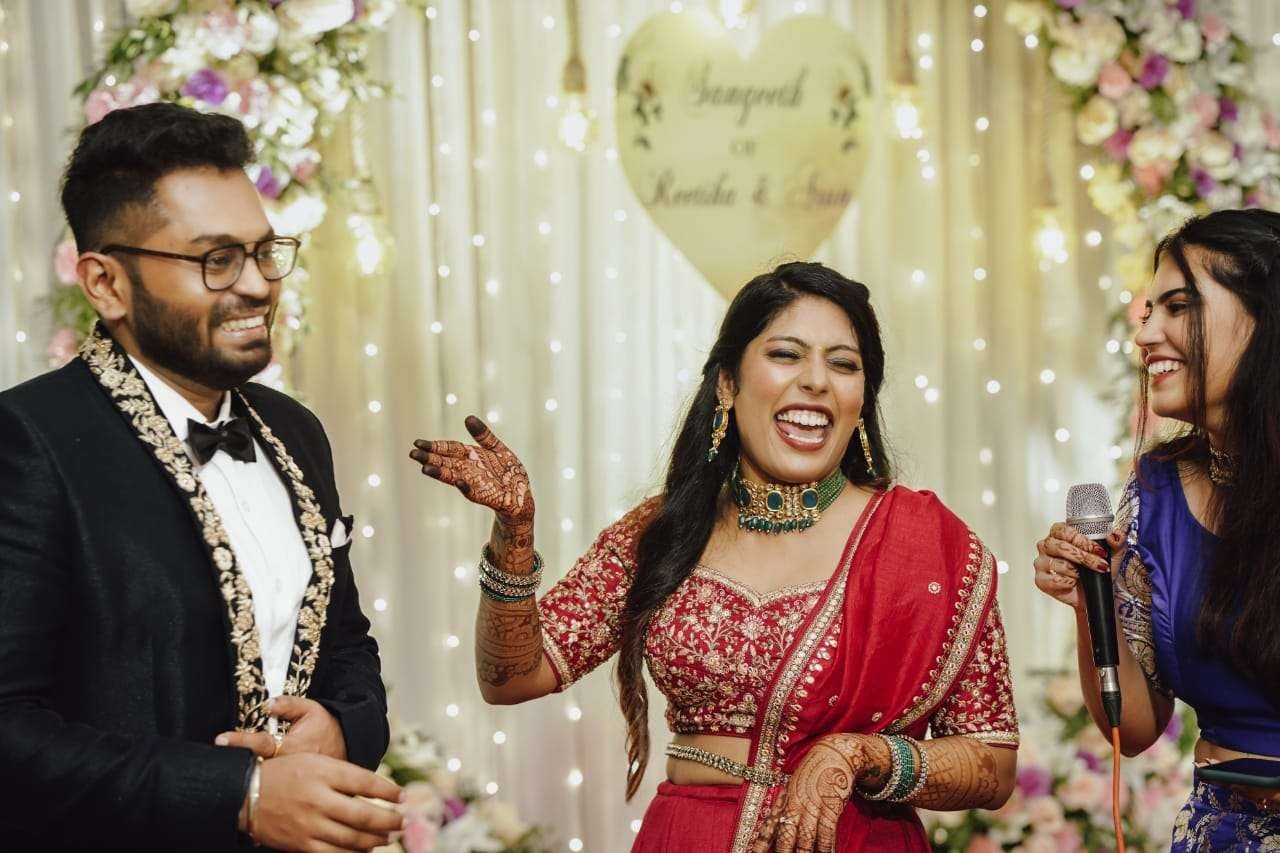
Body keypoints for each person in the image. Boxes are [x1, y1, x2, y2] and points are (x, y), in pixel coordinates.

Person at [410, 261, 1019, 852]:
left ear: (862, 398)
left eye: (843, 364)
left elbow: (991, 766)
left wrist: (863, 754)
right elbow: (513, 677)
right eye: (786, 354)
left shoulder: (927, 546)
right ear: (728, 382)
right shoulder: (665, 531)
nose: (816, 380)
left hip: (857, 839)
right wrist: (514, 536)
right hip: (688, 836)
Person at [0, 102, 403, 849]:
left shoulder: (294, 431)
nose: (257, 285)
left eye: (264, 250)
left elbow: (347, 640)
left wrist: (342, 725)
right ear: (106, 283)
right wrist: (239, 794)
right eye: (216, 259)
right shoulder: (28, 442)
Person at [1034, 209, 1280, 849]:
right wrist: (1091, 603)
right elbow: (1137, 729)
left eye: (1179, 307)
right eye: (1149, 312)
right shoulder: (1156, 492)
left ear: (1265, 318)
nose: (1145, 335)